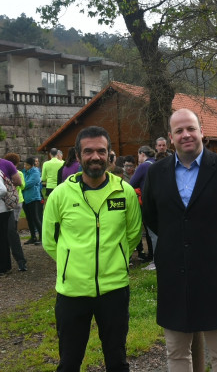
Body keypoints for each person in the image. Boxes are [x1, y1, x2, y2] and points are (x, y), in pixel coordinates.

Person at [142, 109, 217, 372]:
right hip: (173, 274)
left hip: (214, 272)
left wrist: (216, 241)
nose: (186, 135)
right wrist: (177, 240)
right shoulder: (157, 173)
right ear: (170, 138)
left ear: (202, 131)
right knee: (176, 352)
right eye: (179, 131)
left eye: (191, 128)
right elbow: (151, 216)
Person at [42, 126, 142, 371]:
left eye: (101, 151)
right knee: (69, 361)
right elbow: (50, 241)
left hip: (114, 289)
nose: (95, 156)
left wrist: (116, 260)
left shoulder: (125, 192)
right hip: (72, 292)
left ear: (110, 155)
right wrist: (72, 264)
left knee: (117, 359)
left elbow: (133, 234)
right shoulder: (60, 195)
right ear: (77, 156)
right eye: (88, 151)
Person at [131, 145, 157, 268]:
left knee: (153, 233)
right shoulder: (157, 163)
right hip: (161, 201)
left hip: (149, 203)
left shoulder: (144, 166)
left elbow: (132, 184)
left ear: (142, 154)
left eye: (138, 155)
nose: (138, 158)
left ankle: (156, 262)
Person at [4, 153, 28, 271]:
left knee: (11, 227)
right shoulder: (20, 173)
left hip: (11, 201)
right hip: (19, 200)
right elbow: (23, 186)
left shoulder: (5, 173)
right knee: (14, 224)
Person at [22, 156, 43, 245]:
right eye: (24, 164)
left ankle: (42, 237)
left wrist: (21, 185)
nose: (24, 166)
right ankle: (33, 236)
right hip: (25, 198)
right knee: (29, 219)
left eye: (26, 165)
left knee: (36, 218)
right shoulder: (24, 172)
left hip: (34, 198)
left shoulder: (35, 172)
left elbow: (28, 183)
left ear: (31, 165)